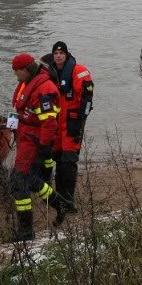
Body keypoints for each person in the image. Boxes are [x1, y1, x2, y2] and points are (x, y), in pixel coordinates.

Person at [9, 54, 74, 240]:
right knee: (26, 179)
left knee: (19, 183)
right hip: (27, 138)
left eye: (17, 72)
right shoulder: (34, 83)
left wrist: (44, 147)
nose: (16, 76)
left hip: (34, 142)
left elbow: (49, 122)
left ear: (25, 70)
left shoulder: (44, 89)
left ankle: (26, 231)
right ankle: (61, 204)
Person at [48, 41, 94, 225]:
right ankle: (61, 197)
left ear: (66, 54)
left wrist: (81, 120)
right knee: (58, 159)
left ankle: (69, 199)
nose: (58, 56)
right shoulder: (50, 72)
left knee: (68, 162)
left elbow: (88, 97)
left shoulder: (79, 71)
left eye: (61, 53)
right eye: (55, 53)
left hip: (72, 122)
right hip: (57, 124)